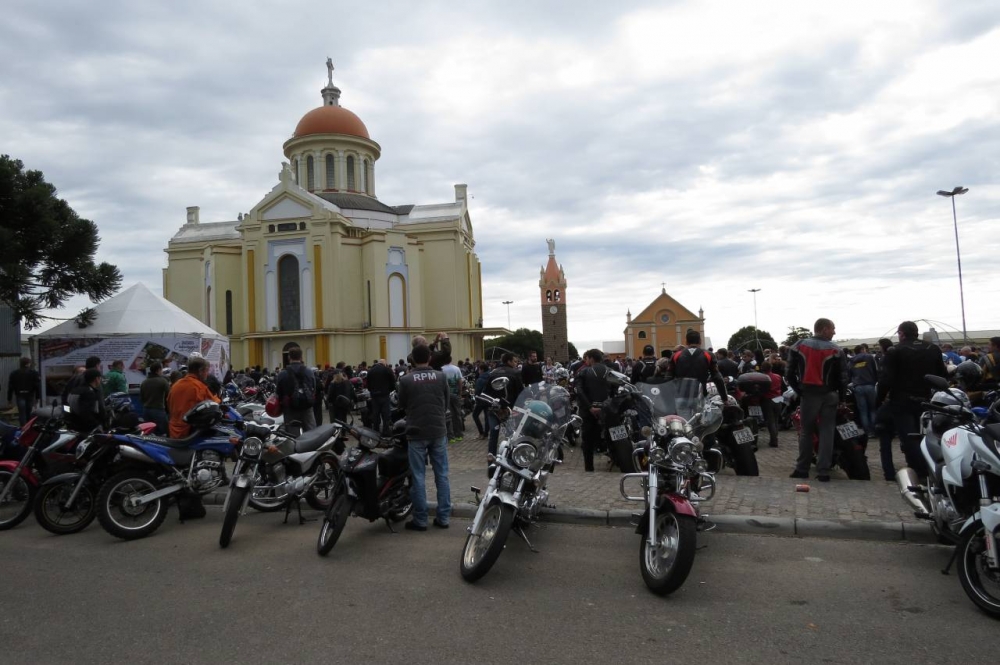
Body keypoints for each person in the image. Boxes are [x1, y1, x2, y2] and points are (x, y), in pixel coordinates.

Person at [875, 321, 948, 480]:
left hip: (902, 400)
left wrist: (878, 401)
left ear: (901, 333)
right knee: (926, 435)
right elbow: (942, 374)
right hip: (926, 399)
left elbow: (885, 380)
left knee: (909, 437)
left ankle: (919, 472)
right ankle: (927, 468)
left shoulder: (895, 351)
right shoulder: (932, 349)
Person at [786, 318, 848, 482]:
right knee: (827, 431)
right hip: (830, 394)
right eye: (833, 329)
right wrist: (842, 398)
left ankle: (802, 469)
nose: (834, 332)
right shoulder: (836, 350)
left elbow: (789, 373)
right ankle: (823, 471)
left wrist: (799, 390)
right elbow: (843, 377)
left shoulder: (799, 345)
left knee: (806, 431)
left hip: (809, 394)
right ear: (824, 329)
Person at [396, 344, 451, 531]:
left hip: (416, 432)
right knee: (442, 475)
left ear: (412, 359)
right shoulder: (441, 376)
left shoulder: (406, 380)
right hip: (438, 431)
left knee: (418, 476)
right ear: (429, 357)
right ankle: (443, 517)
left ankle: (420, 519)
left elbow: (401, 404)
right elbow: (446, 401)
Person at [484, 353, 524, 466]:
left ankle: (491, 459)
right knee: (511, 435)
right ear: (509, 361)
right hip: (510, 408)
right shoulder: (515, 373)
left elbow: (486, 392)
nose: (516, 364)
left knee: (493, 434)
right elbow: (520, 392)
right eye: (515, 361)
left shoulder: (493, 373)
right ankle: (511, 459)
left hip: (494, 408)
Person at [575, 349, 611, 472]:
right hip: (608, 411)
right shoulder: (611, 371)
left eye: (587, 359)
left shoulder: (583, 372)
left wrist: (590, 407)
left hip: (588, 411)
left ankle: (589, 468)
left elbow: (579, 391)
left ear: (590, 358)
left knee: (587, 440)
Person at [166, 357, 220, 438]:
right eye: (206, 371)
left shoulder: (176, 385)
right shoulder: (199, 387)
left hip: (173, 430)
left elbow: (168, 404)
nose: (207, 374)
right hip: (189, 432)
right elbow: (213, 404)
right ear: (200, 371)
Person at [671, 331, 727, 399]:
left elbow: (669, 377)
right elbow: (717, 377)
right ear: (700, 341)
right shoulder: (708, 354)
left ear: (686, 342)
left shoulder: (676, 355)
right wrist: (724, 398)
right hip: (701, 396)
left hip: (681, 395)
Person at [275, 347, 318, 432]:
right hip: (307, 407)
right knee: (311, 433)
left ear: (289, 358)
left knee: (292, 435)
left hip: (290, 408)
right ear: (301, 358)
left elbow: (278, 393)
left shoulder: (282, 374)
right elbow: (314, 388)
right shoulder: (309, 372)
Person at [849, 344, 879, 437]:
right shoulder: (869, 357)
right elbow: (876, 370)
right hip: (870, 385)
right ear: (862, 350)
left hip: (857, 387)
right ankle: (874, 430)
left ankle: (868, 432)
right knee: (873, 409)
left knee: (863, 411)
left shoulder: (851, 361)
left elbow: (849, 374)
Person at [65, 368, 107, 433]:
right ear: (96, 379)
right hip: (84, 429)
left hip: (72, 425)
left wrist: (69, 418)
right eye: (100, 378)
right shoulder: (89, 393)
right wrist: (96, 425)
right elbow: (86, 413)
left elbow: (66, 407)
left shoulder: (73, 390)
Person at [6, 357, 41, 426]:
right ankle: (29, 428)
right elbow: (37, 387)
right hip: (30, 395)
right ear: (28, 364)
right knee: (29, 412)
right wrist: (37, 398)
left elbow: (10, 387)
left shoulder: (14, 373)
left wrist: (9, 399)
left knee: (22, 413)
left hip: (20, 395)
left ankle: (23, 429)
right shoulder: (34, 373)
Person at [365, 358, 396, 435]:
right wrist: (390, 390)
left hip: (374, 396)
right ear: (384, 363)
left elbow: (367, 383)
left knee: (375, 413)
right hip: (385, 395)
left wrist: (371, 391)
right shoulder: (387, 370)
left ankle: (376, 431)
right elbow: (393, 381)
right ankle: (386, 431)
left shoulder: (371, 371)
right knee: (386, 414)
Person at [139, 361, 170, 435]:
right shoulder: (163, 381)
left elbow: (141, 398)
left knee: (150, 433)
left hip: (146, 410)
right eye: (161, 369)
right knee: (165, 432)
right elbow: (169, 395)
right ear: (158, 370)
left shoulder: (144, 382)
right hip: (158, 410)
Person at [441, 355, 464, 443]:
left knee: (447, 415)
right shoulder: (456, 369)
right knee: (457, 414)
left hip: (445, 395)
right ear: (451, 360)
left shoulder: (441, 369)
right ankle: (459, 435)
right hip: (455, 394)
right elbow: (460, 381)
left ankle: (450, 437)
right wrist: (460, 393)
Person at [471, 362, 490, 438]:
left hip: (481, 400)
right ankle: (486, 433)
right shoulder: (490, 377)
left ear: (482, 370)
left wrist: (476, 398)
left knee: (475, 415)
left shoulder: (480, 379)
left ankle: (481, 432)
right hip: (488, 400)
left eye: (479, 369)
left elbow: (477, 391)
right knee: (487, 417)